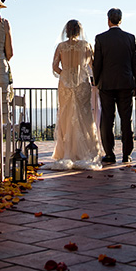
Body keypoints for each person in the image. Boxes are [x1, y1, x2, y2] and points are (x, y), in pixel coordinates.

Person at [50, 20, 102, 170]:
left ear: (67, 31)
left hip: (65, 84)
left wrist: (65, 74)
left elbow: (54, 66)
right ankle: (85, 149)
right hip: (81, 84)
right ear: (79, 31)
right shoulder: (85, 45)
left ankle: (66, 150)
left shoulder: (61, 46)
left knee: (65, 115)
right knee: (84, 115)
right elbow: (92, 65)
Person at [92, 8, 136, 163]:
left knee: (107, 119)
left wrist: (96, 81)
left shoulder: (101, 38)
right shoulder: (130, 38)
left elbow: (97, 63)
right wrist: (135, 83)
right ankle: (127, 154)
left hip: (106, 84)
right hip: (126, 83)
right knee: (126, 119)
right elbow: (134, 64)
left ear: (108, 20)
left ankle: (110, 153)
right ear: (120, 20)